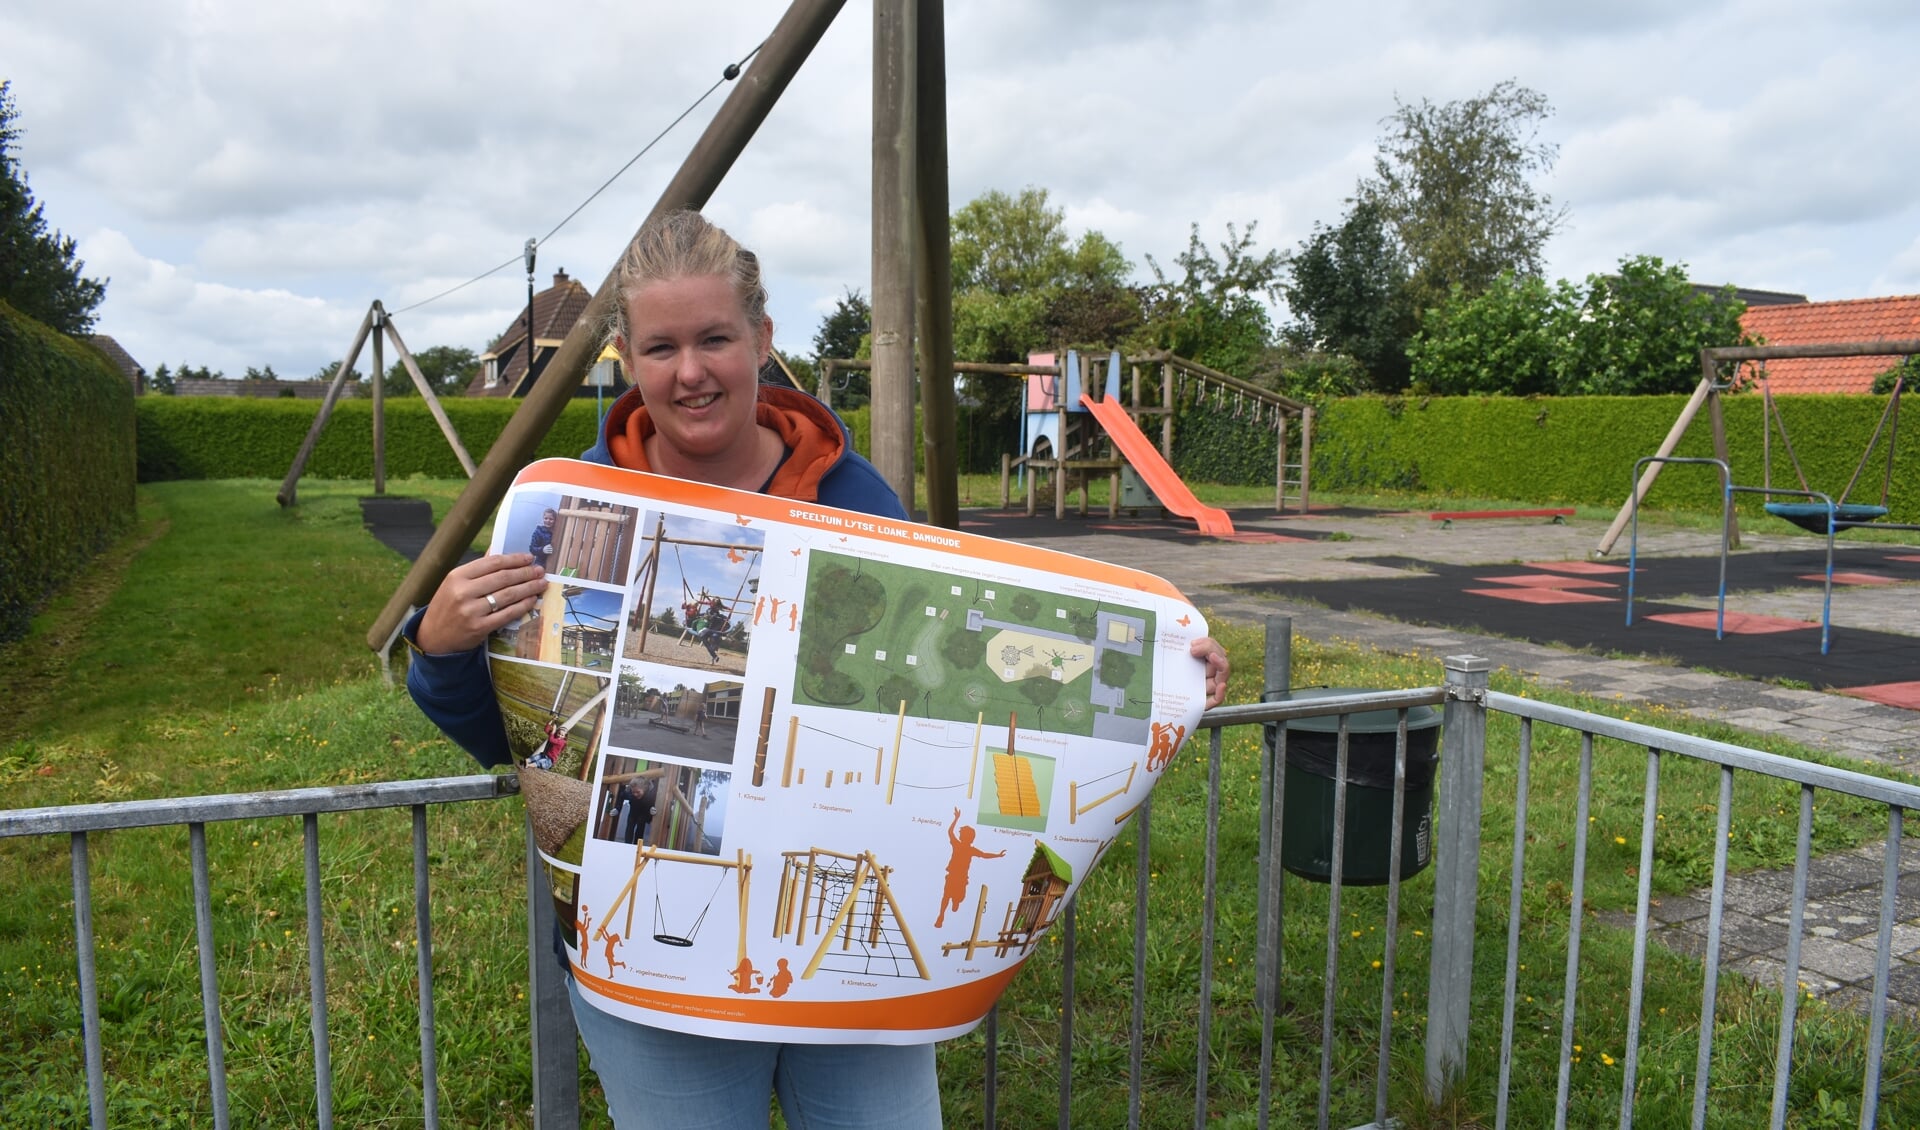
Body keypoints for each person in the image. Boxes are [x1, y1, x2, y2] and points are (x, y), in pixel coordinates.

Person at [402, 210, 1230, 1129]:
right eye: (662, 346)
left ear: (761, 338)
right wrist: (441, 651)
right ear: (625, 360)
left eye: (715, 338)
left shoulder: (861, 504)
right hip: (659, 954)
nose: (690, 372)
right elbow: (524, 744)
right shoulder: (568, 518)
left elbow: (969, 685)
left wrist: (1165, 677)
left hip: (853, 968)